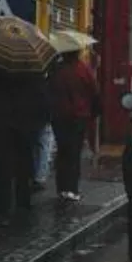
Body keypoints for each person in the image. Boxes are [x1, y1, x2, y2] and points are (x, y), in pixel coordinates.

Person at [0, 64, 50, 224]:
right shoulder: (33, 70)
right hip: (25, 124)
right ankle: (23, 202)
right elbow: (42, 96)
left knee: (2, 167)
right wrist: (41, 119)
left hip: (1, 123)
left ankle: (4, 208)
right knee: (24, 164)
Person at [48, 46, 101, 201]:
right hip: (78, 116)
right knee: (74, 153)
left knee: (62, 151)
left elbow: (49, 89)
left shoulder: (56, 70)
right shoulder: (83, 69)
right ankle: (72, 188)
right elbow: (94, 90)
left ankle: (61, 188)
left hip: (59, 116)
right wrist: (95, 111)